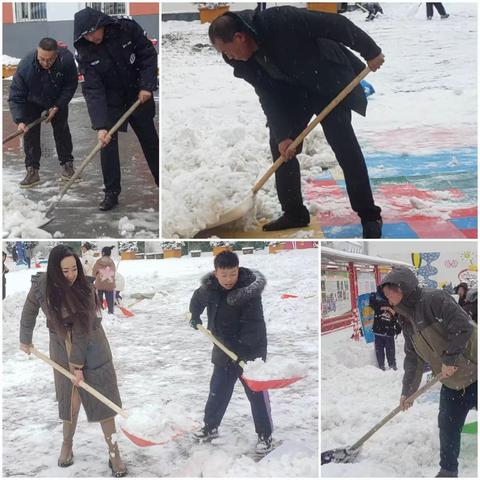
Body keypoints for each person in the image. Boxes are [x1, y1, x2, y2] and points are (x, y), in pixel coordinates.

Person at [208, 7, 385, 237]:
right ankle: (294, 212)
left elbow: (337, 24)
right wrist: (283, 135)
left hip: (326, 80)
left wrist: (370, 51)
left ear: (240, 37)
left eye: (226, 50)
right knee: (281, 147)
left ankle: (369, 215)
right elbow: (266, 94)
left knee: (343, 143)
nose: (227, 57)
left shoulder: (281, 21)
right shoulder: (239, 60)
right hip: (291, 92)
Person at [19, 245, 126, 476]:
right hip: (59, 344)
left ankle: (114, 451)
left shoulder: (85, 288)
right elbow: (29, 311)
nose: (71, 275)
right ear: (55, 270)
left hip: (91, 343)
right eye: (65, 271)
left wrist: (77, 366)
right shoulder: (42, 286)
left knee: (103, 397)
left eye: (74, 269)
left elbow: (81, 330)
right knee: (70, 397)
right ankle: (67, 444)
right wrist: (24, 339)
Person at [380, 266, 477, 478]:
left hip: (476, 371)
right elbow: (413, 359)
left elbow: (463, 326)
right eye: (385, 292)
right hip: (453, 382)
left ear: (403, 287)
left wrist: (450, 359)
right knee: (448, 427)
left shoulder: (434, 299)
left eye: (390, 291)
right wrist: (408, 391)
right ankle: (448, 471)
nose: (387, 296)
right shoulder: (408, 322)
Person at [73, 7, 159, 211]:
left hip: (138, 94)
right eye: (86, 35)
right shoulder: (84, 51)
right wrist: (101, 126)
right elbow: (93, 89)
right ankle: (111, 192)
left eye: (93, 32)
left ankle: (162, 182)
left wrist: (147, 85)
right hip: (111, 102)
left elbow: (147, 55)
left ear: (102, 25)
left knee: (150, 141)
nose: (92, 37)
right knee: (107, 145)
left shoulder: (126, 28)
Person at [189, 251, 273, 453]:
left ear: (238, 270)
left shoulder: (248, 292)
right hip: (223, 347)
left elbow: (254, 325)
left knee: (256, 393)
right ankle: (210, 427)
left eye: (233, 274)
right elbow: (197, 299)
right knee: (218, 390)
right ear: (216, 273)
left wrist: (243, 352)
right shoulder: (209, 288)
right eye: (224, 274)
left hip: (250, 350)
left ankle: (265, 435)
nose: (229, 279)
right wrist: (195, 315)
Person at [8, 37, 78, 188]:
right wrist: (20, 120)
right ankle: (32, 170)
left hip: (56, 99)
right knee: (30, 133)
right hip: (32, 101)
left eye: (50, 60)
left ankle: (67, 165)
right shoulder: (25, 66)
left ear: (57, 54)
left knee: (62, 130)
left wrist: (58, 105)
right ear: (37, 53)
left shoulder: (66, 60)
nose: (46, 63)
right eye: (42, 59)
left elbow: (70, 85)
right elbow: (15, 96)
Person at [369, 287, 401, 370]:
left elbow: (398, 316)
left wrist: (398, 326)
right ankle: (383, 366)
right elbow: (371, 303)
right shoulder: (379, 301)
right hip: (381, 331)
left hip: (386, 331)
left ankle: (390, 365)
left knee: (387, 350)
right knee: (381, 350)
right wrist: (373, 296)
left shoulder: (394, 302)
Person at [92, 246, 116, 315]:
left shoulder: (98, 262)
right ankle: (111, 312)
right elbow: (113, 272)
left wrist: (96, 276)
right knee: (110, 299)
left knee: (99, 299)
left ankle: (100, 311)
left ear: (103, 253)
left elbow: (93, 273)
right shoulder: (112, 262)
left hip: (99, 284)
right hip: (110, 283)